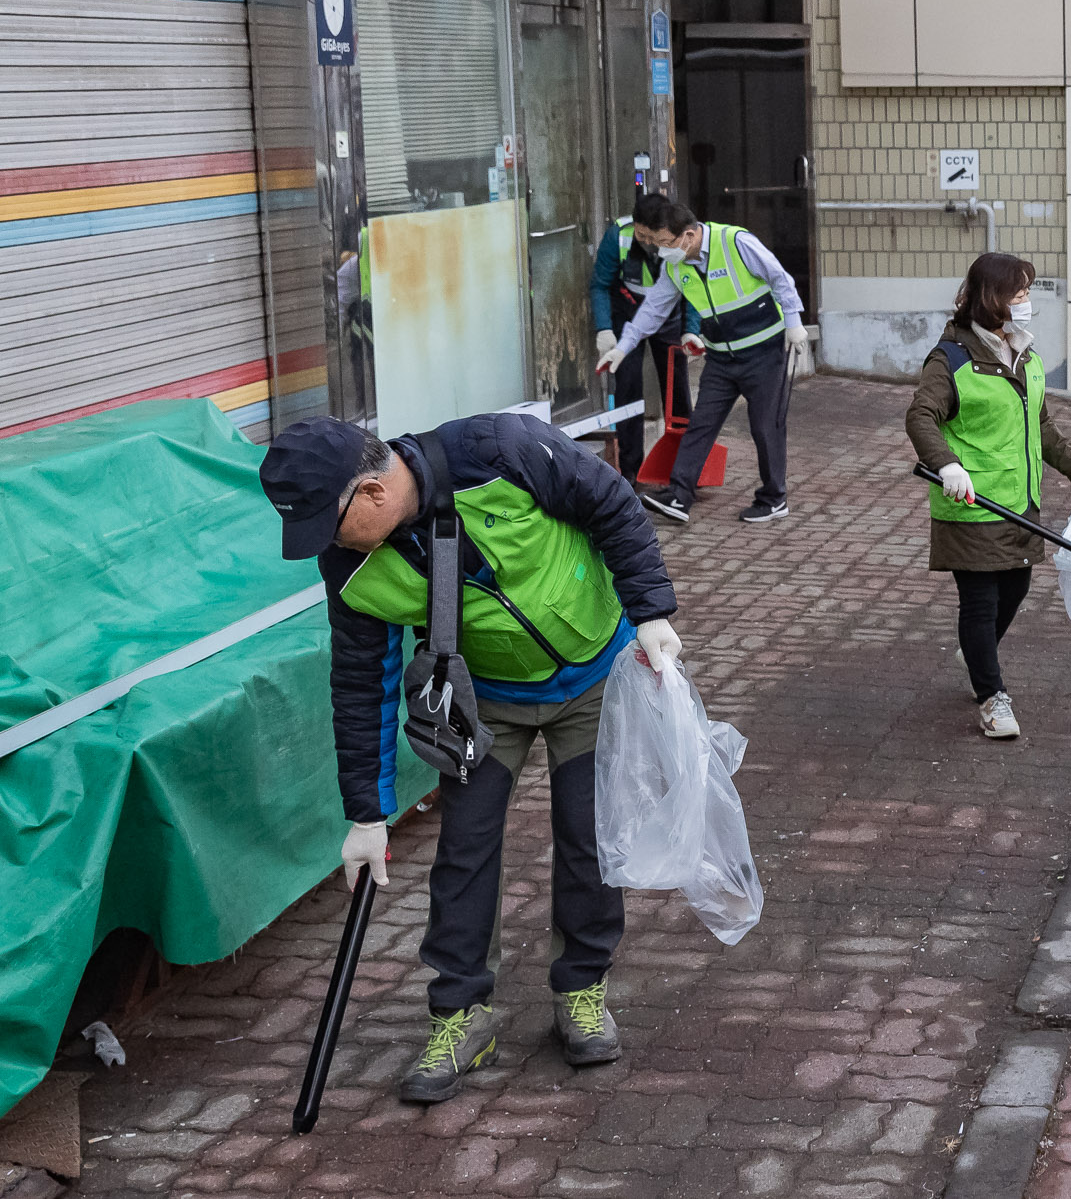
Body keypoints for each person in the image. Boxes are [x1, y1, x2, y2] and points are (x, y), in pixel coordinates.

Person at [257, 412, 682, 1103]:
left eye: (325, 525)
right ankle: (461, 1014)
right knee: (465, 847)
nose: (323, 548)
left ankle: (582, 987)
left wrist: (652, 610)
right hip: (482, 702)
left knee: (589, 835)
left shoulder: (499, 450)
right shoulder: (350, 563)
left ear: (368, 494)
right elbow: (362, 680)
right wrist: (368, 811)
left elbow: (610, 500)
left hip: (591, 672)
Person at [908, 253, 1071, 738]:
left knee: (1015, 588)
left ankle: (978, 653)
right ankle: (991, 696)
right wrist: (948, 465)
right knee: (979, 602)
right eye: (1019, 295)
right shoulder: (950, 358)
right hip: (972, 504)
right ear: (993, 298)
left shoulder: (1024, 355)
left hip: (1019, 504)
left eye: (1027, 294)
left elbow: (1039, 423)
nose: (1026, 304)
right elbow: (921, 416)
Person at [597, 201, 806, 525]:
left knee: (766, 427)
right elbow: (653, 310)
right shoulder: (676, 266)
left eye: (666, 242)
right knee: (700, 426)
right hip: (721, 358)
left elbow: (780, 279)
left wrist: (793, 322)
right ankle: (680, 496)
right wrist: (623, 348)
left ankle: (774, 497)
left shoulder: (735, 242)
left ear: (690, 235)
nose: (661, 250)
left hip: (762, 352)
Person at [590, 195, 697, 481]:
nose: (648, 242)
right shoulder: (618, 236)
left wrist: (691, 329)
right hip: (627, 315)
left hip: (669, 317)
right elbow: (600, 284)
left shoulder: (674, 239)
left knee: (677, 394)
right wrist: (604, 328)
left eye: (653, 237)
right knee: (628, 390)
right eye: (642, 235)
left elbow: (692, 287)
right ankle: (631, 474)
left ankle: (685, 471)